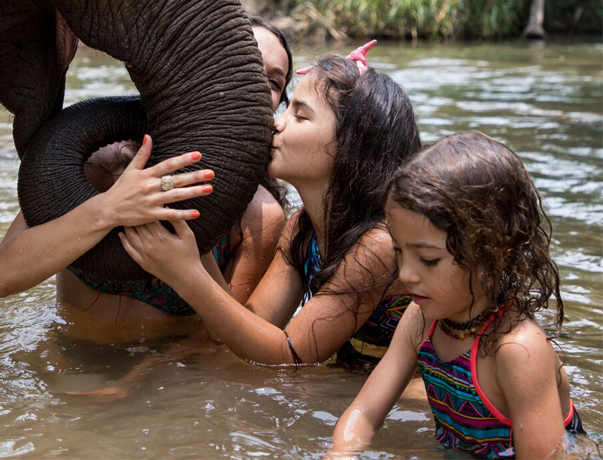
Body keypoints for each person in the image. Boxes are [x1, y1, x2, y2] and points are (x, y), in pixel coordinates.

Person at [119, 42, 422, 364]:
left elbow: (290, 354)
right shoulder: (303, 229)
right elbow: (249, 326)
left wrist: (186, 274)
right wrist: (198, 246)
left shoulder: (378, 243)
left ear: (350, 146)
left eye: (300, 116)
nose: (276, 123)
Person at [0, 16, 292, 322]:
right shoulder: (101, 160)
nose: (255, 85)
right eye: (242, 63)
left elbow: (223, 342)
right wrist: (108, 209)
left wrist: (202, 227)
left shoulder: (259, 217)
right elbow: (0, 279)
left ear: (278, 106)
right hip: (68, 363)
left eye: (273, 82)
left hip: (167, 370)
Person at [328, 132, 585, 459]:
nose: (405, 274)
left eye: (428, 259)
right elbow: (364, 414)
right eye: (399, 251)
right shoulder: (421, 319)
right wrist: (339, 453)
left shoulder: (517, 351)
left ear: (491, 252)